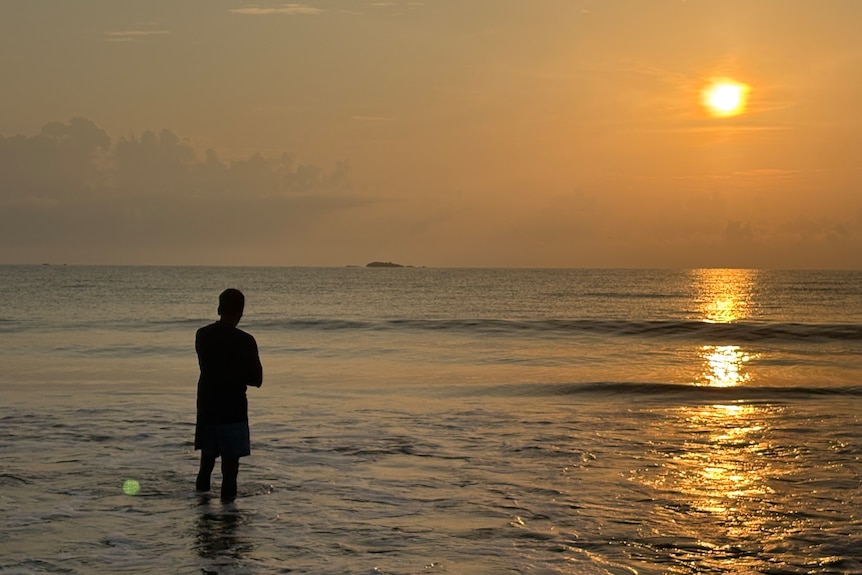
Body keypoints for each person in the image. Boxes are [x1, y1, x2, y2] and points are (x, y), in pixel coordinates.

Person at [195, 288, 263, 501]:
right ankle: (228, 519)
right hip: (232, 409)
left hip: (207, 407)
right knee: (230, 471)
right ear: (241, 312)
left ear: (218, 308)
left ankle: (202, 513)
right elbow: (256, 380)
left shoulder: (202, 335)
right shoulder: (245, 341)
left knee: (206, 464)